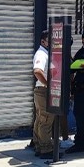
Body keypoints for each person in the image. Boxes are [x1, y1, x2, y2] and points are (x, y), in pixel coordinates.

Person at [31, 31, 58, 159]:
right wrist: (48, 85)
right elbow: (37, 71)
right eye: (49, 40)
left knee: (40, 119)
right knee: (46, 119)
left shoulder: (46, 53)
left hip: (40, 90)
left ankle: (39, 145)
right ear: (43, 41)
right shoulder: (41, 54)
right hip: (43, 90)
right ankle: (46, 148)